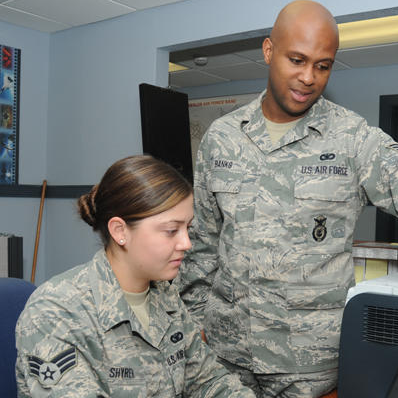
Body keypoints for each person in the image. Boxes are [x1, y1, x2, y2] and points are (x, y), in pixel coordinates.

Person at [175, 0, 398, 396]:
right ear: (269, 51)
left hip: (308, 369)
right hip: (224, 358)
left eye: (323, 66)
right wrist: (192, 323)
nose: (308, 77)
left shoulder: (351, 139)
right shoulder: (221, 137)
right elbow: (202, 244)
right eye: (297, 60)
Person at [15, 155, 255, 398]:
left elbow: (209, 382)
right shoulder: (55, 311)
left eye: (188, 228)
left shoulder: (164, 295)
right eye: (171, 231)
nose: (186, 243)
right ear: (120, 231)